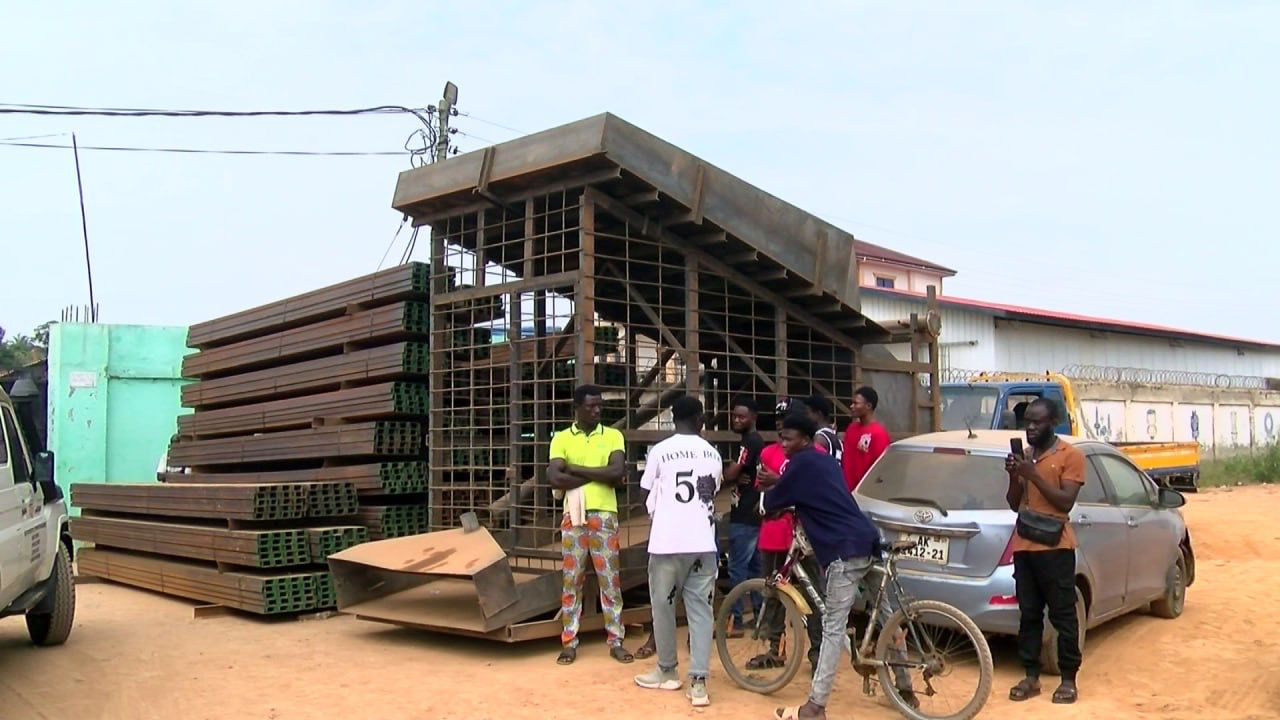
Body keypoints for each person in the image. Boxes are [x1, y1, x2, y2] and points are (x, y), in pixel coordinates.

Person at [758, 412, 880, 720]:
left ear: (805, 439)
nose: (783, 443)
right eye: (781, 437)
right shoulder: (825, 460)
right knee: (890, 619)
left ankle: (815, 707)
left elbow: (773, 502)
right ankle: (905, 689)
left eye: (788, 438)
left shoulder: (800, 464)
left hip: (842, 549)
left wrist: (769, 503)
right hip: (866, 540)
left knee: (832, 628)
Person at [633, 396, 723, 707]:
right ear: (700, 420)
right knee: (701, 612)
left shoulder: (660, 451)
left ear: (673, 419)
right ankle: (698, 683)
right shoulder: (713, 453)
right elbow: (713, 490)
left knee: (663, 607)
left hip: (667, 542)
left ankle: (667, 671)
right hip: (702, 543)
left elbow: (644, 491)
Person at [1005, 398, 1086, 705]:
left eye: (1037, 422)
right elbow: (1014, 504)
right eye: (1027, 422)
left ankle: (1068, 679)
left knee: (1064, 614)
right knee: (1028, 614)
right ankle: (1030, 676)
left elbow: (1065, 502)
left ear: (1053, 423)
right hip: (1025, 546)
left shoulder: (1071, 455)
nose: (1030, 428)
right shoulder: (1025, 456)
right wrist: (1016, 476)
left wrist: (1034, 475)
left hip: (1056, 547)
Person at [547, 384, 633, 665]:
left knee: (610, 579)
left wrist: (575, 469)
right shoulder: (560, 438)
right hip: (573, 515)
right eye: (591, 406)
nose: (597, 410)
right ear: (577, 408)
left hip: (605, 514)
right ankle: (569, 641)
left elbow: (618, 471)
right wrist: (600, 476)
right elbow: (555, 478)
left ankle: (616, 640)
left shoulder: (613, 436)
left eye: (599, 406)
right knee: (572, 580)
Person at [723, 397, 765, 637]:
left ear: (753, 418)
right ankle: (760, 617)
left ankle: (735, 619)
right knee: (755, 567)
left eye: (742, 416)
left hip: (745, 515)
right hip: (753, 513)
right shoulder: (753, 441)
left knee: (738, 566)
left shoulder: (749, 442)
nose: (736, 420)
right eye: (734, 415)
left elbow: (732, 472)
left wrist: (730, 473)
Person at [841, 386, 891, 492]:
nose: (851, 406)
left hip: (864, 493)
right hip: (846, 491)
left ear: (868, 406)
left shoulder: (879, 433)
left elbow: (881, 469)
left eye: (856, 403)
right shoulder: (851, 428)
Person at [805, 394, 843, 462]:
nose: (806, 417)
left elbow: (816, 463)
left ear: (818, 414)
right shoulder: (835, 437)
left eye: (808, 413)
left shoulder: (819, 438)